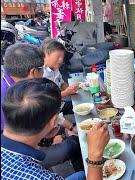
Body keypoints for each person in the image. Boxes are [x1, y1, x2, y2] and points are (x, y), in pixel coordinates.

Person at [1, 78, 110, 180]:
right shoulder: (40, 177)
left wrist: (46, 140)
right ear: (54, 121)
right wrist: (95, 155)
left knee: (81, 175)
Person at [0, 43, 81, 171]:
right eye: (42, 68)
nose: (44, 72)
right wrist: (47, 143)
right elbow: (18, 144)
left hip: (26, 144)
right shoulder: (17, 98)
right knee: (74, 142)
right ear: (33, 72)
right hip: (20, 160)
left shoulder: (11, 86)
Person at [41, 39, 79, 115]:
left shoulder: (55, 68)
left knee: (80, 106)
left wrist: (71, 89)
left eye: (62, 57)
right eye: (58, 57)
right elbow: (47, 97)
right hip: (50, 111)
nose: (61, 60)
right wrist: (66, 92)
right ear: (45, 55)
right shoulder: (42, 74)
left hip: (60, 104)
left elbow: (62, 84)